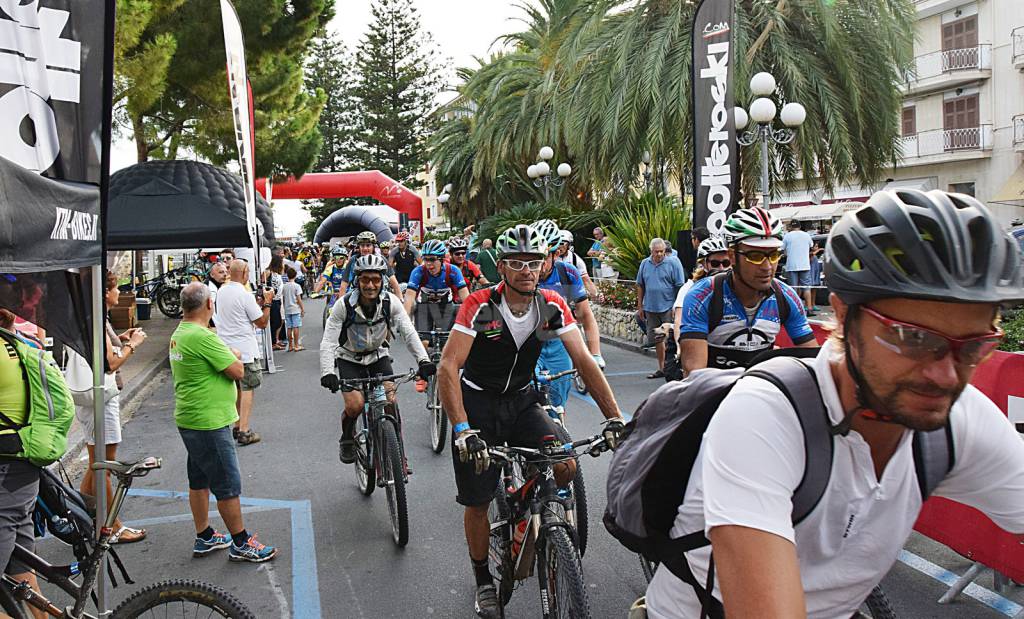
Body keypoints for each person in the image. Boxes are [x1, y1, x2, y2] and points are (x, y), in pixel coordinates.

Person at [645, 189, 1024, 618]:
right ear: (845, 316)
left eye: (974, 346)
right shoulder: (704, 301)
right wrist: (744, 402)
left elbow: (809, 348)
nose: (947, 375)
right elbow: (698, 367)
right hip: (730, 392)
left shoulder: (960, 416)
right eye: (912, 337)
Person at [437, 223, 625, 618]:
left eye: (535, 262)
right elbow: (448, 367)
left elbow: (584, 361)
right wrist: (460, 429)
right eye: (518, 262)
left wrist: (615, 418)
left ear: (544, 265)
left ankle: (527, 512)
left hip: (523, 402)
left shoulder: (552, 303)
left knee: (565, 464)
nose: (527, 269)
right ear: (502, 267)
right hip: (479, 406)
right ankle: (483, 579)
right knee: (478, 499)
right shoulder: (481, 305)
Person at [170, 283, 277, 563]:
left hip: (191, 416)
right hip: (209, 420)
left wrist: (229, 354)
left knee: (199, 478)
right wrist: (234, 354)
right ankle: (241, 541)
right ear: (208, 306)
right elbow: (237, 370)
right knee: (227, 483)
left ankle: (204, 534)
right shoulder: (203, 337)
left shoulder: (182, 333)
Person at [319, 254, 435, 464]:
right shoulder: (343, 306)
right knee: (355, 405)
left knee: (390, 401)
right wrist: (327, 372)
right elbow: (328, 342)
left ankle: (399, 455)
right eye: (365, 279)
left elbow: (409, 333)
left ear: (382, 281)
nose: (370, 285)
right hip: (349, 358)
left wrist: (423, 360)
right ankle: (346, 438)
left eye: (375, 279)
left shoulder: (391, 303)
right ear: (357, 280)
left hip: (378, 355)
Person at [679, 207, 818, 375]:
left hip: (761, 393)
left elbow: (814, 364)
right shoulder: (702, 296)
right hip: (713, 394)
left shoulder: (786, 296)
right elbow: (695, 376)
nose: (767, 267)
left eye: (774, 255)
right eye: (755, 256)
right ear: (732, 257)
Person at [75, 270, 148, 544]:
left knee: (97, 462)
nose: (120, 293)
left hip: (96, 397)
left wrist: (121, 337)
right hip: (100, 396)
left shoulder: (94, 316)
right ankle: (112, 526)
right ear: (105, 292)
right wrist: (133, 344)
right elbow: (110, 363)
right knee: (103, 463)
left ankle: (83, 516)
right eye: (118, 288)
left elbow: (104, 350)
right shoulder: (94, 317)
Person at [532, 219, 605, 408]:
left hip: (559, 342)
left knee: (557, 404)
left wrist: (595, 354)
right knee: (529, 399)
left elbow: (586, 316)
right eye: (534, 258)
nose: (538, 266)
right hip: (530, 341)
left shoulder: (568, 272)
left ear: (556, 254)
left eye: (544, 258)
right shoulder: (524, 275)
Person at [214, 259, 272, 446]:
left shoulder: (222, 291)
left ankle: (237, 424)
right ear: (246, 273)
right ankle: (244, 430)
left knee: (236, 388)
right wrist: (268, 303)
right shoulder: (245, 294)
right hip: (245, 349)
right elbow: (261, 322)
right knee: (248, 388)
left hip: (226, 348)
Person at [404, 239, 469, 391]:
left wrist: (473, 316)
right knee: (424, 343)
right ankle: (422, 374)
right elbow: (409, 298)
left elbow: (466, 297)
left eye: (432, 260)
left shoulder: (453, 271)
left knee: (449, 345)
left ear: (442, 259)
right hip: (424, 307)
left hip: (446, 308)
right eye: (426, 259)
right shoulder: (418, 272)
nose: (429, 264)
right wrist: (405, 320)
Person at [636, 238, 685, 379]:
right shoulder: (645, 264)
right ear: (651, 251)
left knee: (672, 340)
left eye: (661, 251)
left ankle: (674, 368)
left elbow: (679, 286)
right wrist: (640, 306)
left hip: (668, 306)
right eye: (656, 252)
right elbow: (640, 285)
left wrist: (678, 307)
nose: (659, 254)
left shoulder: (673, 263)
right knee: (658, 339)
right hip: (651, 307)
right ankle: (662, 368)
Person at [671, 236, 730, 348]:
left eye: (726, 263)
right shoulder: (690, 288)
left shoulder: (738, 287)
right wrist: (680, 347)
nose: (722, 268)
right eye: (715, 263)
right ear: (704, 264)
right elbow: (679, 320)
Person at [338, 231, 403, 298]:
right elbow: (344, 284)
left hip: (380, 295)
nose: (365, 248)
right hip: (358, 296)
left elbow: (394, 282)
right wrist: (340, 304)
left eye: (368, 245)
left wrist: (400, 299)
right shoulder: (353, 260)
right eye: (362, 245)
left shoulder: (381, 259)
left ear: (373, 246)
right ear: (359, 247)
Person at [782, 219, 815, 315]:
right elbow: (811, 246)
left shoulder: (787, 236)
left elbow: (782, 249)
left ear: (791, 227)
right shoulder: (807, 235)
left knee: (794, 288)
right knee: (806, 287)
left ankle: (796, 310)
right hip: (805, 264)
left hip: (792, 265)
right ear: (800, 226)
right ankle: (809, 308)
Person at [557, 229, 599, 298]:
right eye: (557, 243)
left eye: (563, 243)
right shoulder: (549, 257)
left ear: (569, 245)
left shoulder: (575, 259)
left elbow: (586, 280)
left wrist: (596, 295)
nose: (559, 247)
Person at [263, 255, 286, 351]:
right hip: (272, 299)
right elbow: (262, 282)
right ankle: (272, 342)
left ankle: (275, 340)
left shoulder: (277, 273)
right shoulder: (268, 272)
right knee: (275, 322)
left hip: (278, 299)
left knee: (278, 321)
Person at [281, 266, 305, 352]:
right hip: (295, 309)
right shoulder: (297, 286)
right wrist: (302, 309)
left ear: (287, 276)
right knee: (296, 327)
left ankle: (290, 346)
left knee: (289, 327)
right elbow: (299, 299)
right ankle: (296, 345)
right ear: (295, 276)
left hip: (287, 309)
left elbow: (283, 298)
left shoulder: (284, 286)